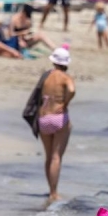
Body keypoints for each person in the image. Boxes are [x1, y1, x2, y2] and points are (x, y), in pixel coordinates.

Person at [38, 48, 75, 203]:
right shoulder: (66, 77)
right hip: (58, 117)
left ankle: (50, 190)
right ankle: (54, 192)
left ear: (53, 61)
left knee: (48, 156)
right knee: (56, 157)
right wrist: (65, 102)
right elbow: (72, 90)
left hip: (43, 117)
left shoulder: (46, 76)